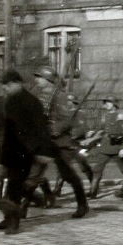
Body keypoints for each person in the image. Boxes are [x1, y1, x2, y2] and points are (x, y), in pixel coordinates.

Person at [0, 69, 56, 234]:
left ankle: (13, 221)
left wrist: (43, 151)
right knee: (7, 186)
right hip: (11, 150)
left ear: (16, 83)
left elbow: (41, 129)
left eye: (7, 86)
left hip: (26, 151)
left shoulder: (32, 102)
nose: (5, 89)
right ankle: (9, 217)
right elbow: (8, 131)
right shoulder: (9, 102)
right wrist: (2, 156)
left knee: (14, 186)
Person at [32, 67, 89, 217]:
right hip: (43, 140)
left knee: (67, 174)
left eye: (39, 77)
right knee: (34, 173)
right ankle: (26, 205)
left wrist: (54, 129)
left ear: (48, 80)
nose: (36, 80)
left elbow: (67, 120)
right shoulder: (36, 94)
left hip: (59, 141)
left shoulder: (60, 96)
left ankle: (82, 204)